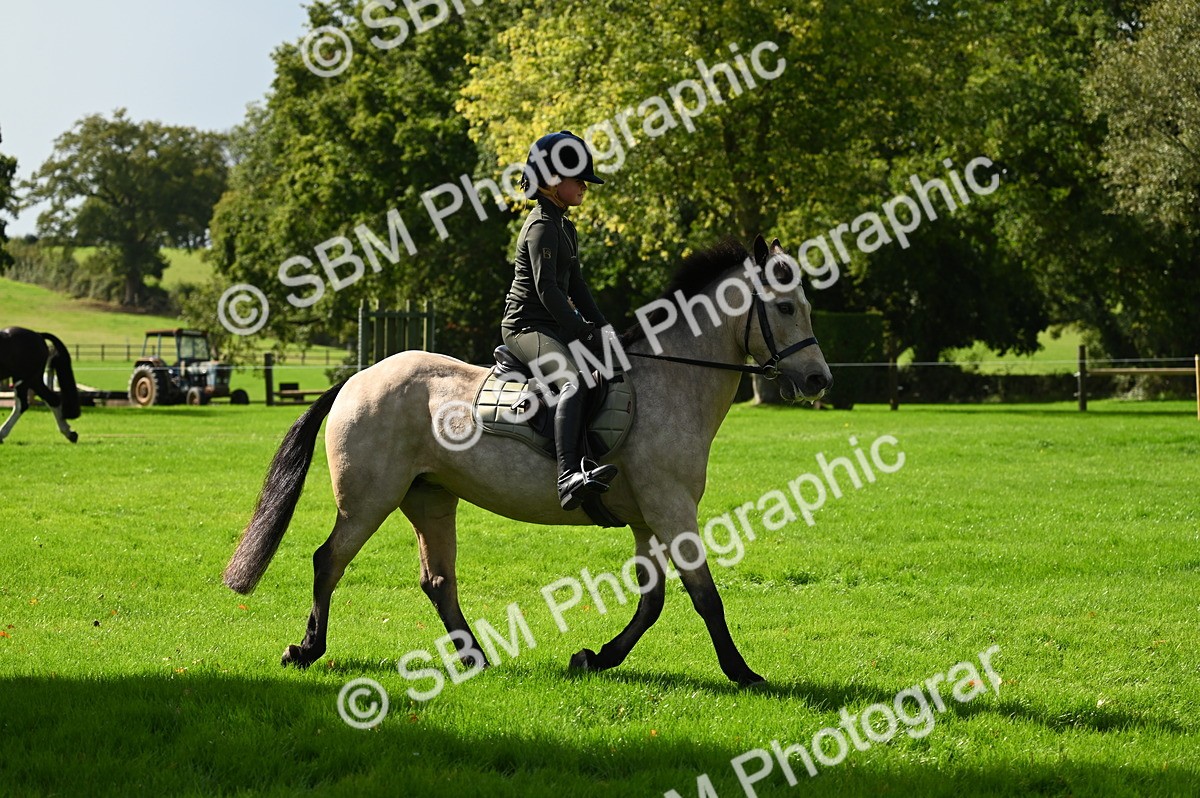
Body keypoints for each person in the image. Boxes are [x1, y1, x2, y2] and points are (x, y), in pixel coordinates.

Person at [501, 130, 618, 511]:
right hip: (525, 326)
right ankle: (568, 478)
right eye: (577, 179)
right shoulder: (541, 227)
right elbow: (548, 290)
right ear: (552, 182)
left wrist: (603, 328)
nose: (585, 186)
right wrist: (581, 331)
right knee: (571, 381)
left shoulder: (565, 226)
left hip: (551, 324)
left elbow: (577, 286)